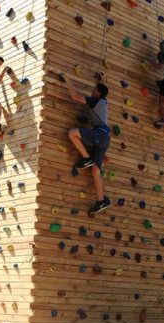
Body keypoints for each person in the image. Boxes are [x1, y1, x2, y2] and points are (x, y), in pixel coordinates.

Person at [61, 71, 111, 215]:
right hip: (105, 138)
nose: (92, 90)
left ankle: (86, 157)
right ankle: (101, 200)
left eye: (94, 89)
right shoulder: (104, 102)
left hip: (99, 133)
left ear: (98, 93)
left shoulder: (96, 100)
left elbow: (75, 97)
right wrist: (103, 80)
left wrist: (67, 79)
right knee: (95, 170)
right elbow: (104, 91)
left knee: (73, 133)